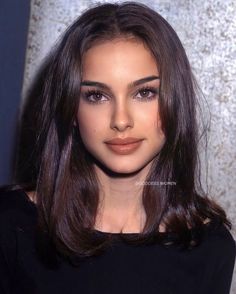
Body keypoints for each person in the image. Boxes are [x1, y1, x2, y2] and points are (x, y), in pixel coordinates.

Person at [0, 2, 235, 293]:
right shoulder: (10, 225)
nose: (121, 121)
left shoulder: (210, 247)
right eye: (97, 96)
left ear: (176, 101)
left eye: (145, 92)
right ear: (71, 110)